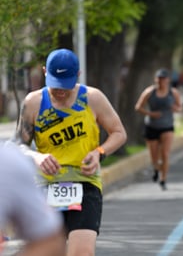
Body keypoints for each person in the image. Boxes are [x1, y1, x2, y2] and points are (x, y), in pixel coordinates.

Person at [12, 48, 127, 256]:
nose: (60, 92)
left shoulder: (93, 98)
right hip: (45, 186)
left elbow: (119, 132)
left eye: (66, 85)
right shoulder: (33, 103)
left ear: (78, 75)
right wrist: (37, 156)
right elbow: (17, 145)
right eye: (56, 85)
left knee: (81, 253)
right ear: (45, 71)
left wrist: (99, 152)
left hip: (85, 183)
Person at [0, 142, 66, 256]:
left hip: (84, 179)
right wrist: (36, 156)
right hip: (45, 179)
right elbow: (19, 142)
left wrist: (99, 152)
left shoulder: (7, 162)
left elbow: (50, 241)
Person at [134, 68, 182, 190]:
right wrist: (151, 114)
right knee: (154, 155)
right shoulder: (149, 92)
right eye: (159, 79)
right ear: (156, 80)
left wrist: (175, 108)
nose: (161, 81)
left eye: (164, 79)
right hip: (152, 126)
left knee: (165, 154)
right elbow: (138, 107)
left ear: (168, 80)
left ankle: (163, 179)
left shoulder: (173, 92)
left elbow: (179, 107)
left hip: (167, 126)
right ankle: (156, 169)